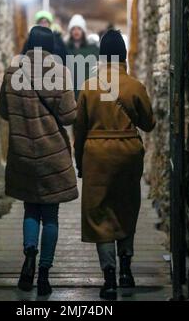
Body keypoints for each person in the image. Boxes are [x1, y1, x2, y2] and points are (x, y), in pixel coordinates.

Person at [74, 29, 155, 300]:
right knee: (126, 207)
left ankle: (108, 278)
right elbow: (149, 123)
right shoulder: (134, 86)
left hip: (96, 153)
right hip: (128, 152)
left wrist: (79, 162)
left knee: (99, 214)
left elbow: (80, 128)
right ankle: (126, 271)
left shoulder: (88, 86)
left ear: (100, 56)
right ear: (123, 55)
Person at [0, 26, 78, 296]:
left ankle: (29, 258)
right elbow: (68, 116)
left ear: (29, 43)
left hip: (22, 152)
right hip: (52, 154)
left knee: (30, 210)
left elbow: (3, 109)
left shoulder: (13, 70)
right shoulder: (58, 72)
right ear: (51, 46)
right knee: (51, 216)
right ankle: (44, 273)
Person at [66, 14, 99, 99]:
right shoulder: (65, 48)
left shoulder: (93, 49)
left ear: (83, 31)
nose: (76, 31)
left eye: (79, 28)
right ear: (70, 31)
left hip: (87, 92)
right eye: (73, 29)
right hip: (70, 91)